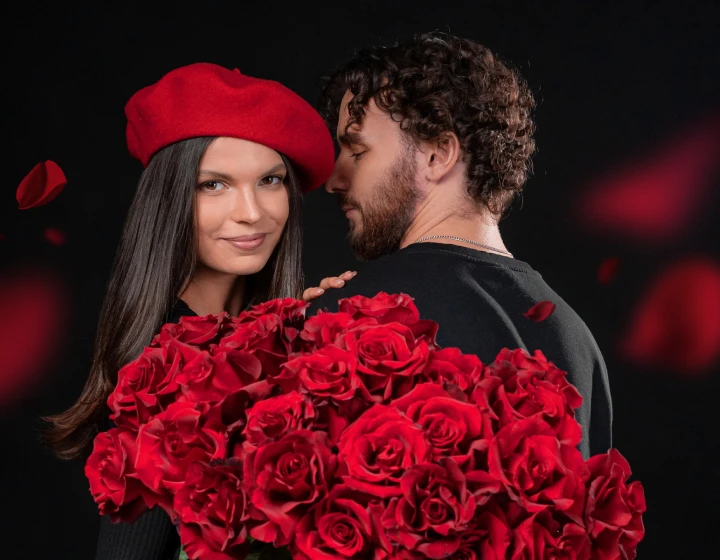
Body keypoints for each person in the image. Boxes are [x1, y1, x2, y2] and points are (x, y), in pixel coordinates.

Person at [43, 62, 353, 560]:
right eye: (213, 185)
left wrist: (318, 342)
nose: (251, 212)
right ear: (168, 200)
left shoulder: (272, 330)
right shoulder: (163, 374)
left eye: (270, 180)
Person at [309, 31, 612, 460]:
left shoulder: (351, 320)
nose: (334, 180)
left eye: (356, 152)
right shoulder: (576, 339)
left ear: (439, 154)